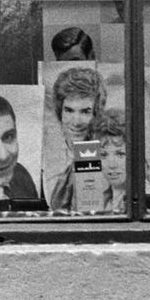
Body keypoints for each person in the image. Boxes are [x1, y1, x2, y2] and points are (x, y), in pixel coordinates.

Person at [48, 67, 106, 210]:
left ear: (96, 114)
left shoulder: (95, 156)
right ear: (60, 111)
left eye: (85, 112)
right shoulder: (50, 154)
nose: (76, 121)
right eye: (69, 110)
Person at [93, 110, 128, 212]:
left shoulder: (145, 197)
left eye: (120, 154)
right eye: (103, 155)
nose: (112, 165)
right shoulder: (102, 200)